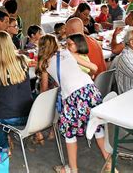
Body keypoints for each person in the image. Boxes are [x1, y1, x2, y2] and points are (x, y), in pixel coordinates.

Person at [37, 34, 110, 173]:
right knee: (97, 126)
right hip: (90, 90)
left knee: (70, 134)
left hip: (73, 96)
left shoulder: (44, 64)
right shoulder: (67, 52)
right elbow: (94, 67)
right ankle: (110, 164)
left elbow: (44, 90)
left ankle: (72, 169)